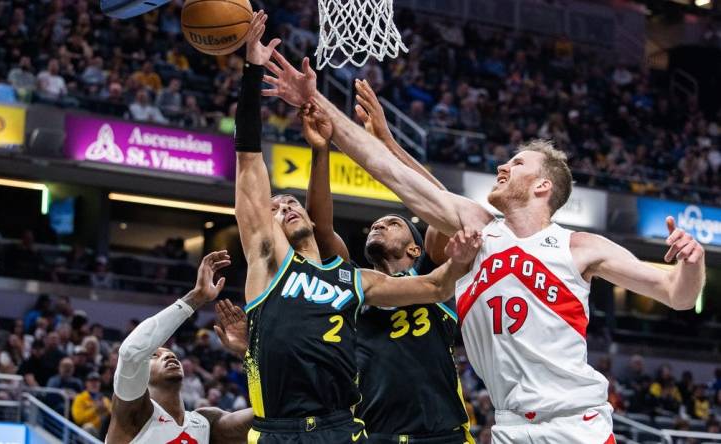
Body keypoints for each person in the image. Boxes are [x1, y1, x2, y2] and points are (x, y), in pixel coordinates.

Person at [264, 53, 707, 442]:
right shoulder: (477, 232)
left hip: (577, 424)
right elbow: (391, 173)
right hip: (510, 426)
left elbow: (678, 294)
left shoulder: (581, 246)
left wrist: (693, 262)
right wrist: (314, 100)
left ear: (542, 185)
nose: (501, 166)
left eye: (516, 163)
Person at [233, 12, 473, 444]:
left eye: (392, 221)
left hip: (417, 432)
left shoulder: (358, 280)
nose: (286, 206)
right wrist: (253, 75)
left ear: (416, 250)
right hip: (349, 430)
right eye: (279, 204)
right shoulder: (276, 264)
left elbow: (440, 266)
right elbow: (255, 168)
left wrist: (458, 263)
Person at [299, 99, 473, 443]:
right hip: (373, 433)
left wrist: (388, 142)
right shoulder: (352, 282)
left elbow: (443, 204)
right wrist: (321, 152)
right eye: (377, 224)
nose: (379, 225)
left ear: (415, 248)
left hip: (443, 434)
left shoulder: (433, 271)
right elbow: (320, 229)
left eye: (392, 223)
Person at [105, 251, 254, 443]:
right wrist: (196, 298)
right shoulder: (133, 413)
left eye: (170, 353)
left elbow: (273, 411)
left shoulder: (206, 422)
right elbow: (132, 352)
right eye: (154, 355)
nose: (168, 356)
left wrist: (248, 353)